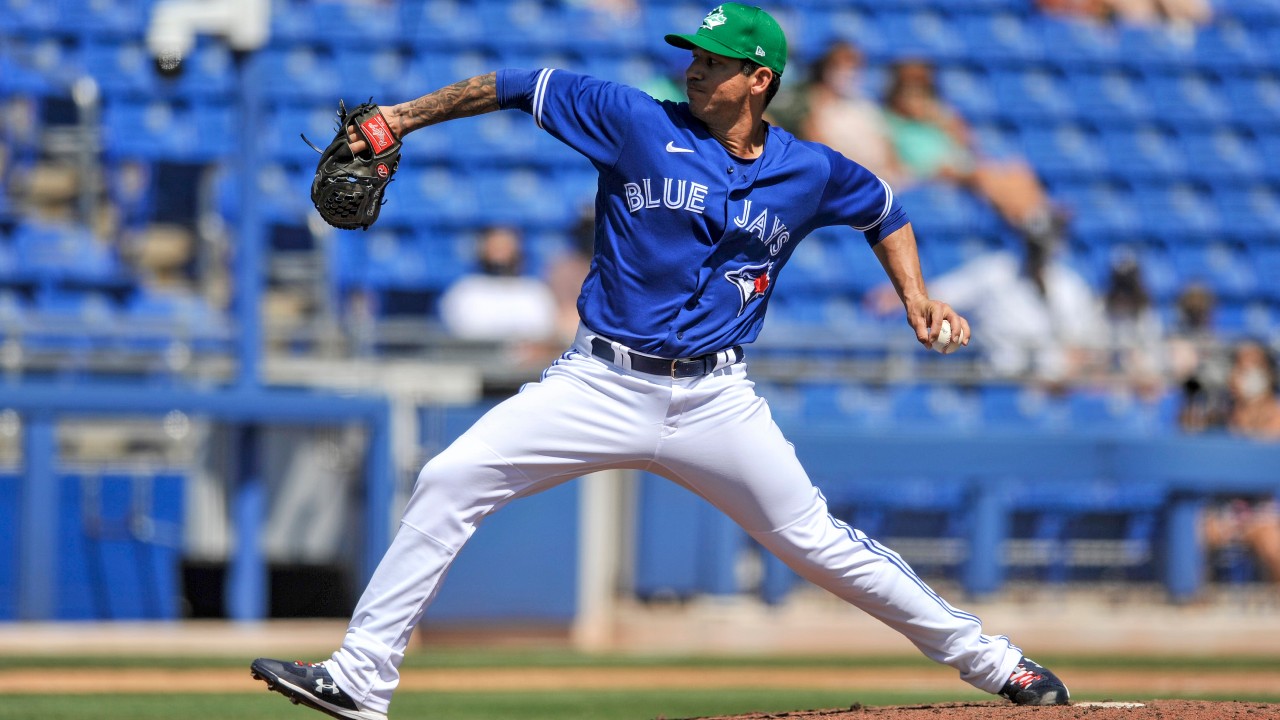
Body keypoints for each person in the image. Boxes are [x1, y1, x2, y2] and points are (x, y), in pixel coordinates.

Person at [249, 5, 1070, 718]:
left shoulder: (806, 168)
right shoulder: (636, 119)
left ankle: (998, 664)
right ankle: (361, 679)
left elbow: (885, 210)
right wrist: (399, 116)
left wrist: (916, 297)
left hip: (716, 400)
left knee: (818, 542)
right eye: (693, 56)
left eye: (712, 61)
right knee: (449, 479)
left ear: (758, 79)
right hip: (599, 381)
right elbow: (511, 83)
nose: (693, 69)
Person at [881, 58, 1068, 251]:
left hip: (960, 166)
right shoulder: (891, 123)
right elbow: (896, 165)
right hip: (932, 172)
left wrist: (943, 121)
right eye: (910, 94)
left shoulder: (939, 118)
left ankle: (1038, 216)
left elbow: (971, 146)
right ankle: (1033, 223)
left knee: (1016, 167)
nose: (917, 100)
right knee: (983, 174)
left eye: (922, 94)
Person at [1194, 340, 1280, 588]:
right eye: (1241, 367)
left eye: (1255, 366)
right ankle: (1194, 606)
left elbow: (1264, 460)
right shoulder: (1220, 412)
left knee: (1272, 545)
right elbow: (1191, 434)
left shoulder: (1276, 412)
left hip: (1265, 507)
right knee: (1195, 534)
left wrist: (1253, 413)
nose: (1248, 374)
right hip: (1226, 505)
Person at [769, 40, 905, 187]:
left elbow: (890, 153)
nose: (848, 71)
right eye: (841, 64)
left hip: (880, 181)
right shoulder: (811, 103)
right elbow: (822, 151)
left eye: (854, 65)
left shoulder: (867, 106)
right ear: (825, 67)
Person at [437, 224, 558, 343]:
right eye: (495, 246)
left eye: (505, 246)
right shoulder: (464, 290)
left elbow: (543, 335)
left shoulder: (534, 291)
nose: (500, 253)